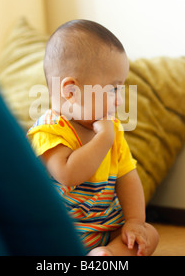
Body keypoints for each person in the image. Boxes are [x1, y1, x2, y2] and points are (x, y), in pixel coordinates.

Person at [27, 20, 159, 256]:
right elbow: (69, 175)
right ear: (71, 92)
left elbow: (127, 176)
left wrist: (135, 221)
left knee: (149, 235)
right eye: (113, 89)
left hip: (107, 225)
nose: (119, 100)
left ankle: (106, 254)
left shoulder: (112, 128)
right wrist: (103, 139)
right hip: (64, 232)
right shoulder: (47, 131)